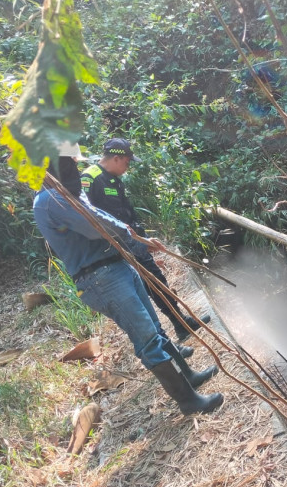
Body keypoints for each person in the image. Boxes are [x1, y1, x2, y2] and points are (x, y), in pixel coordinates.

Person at [33, 156, 223, 415]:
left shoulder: (67, 193)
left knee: (155, 329)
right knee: (147, 340)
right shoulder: (50, 201)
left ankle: (189, 377)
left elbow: (100, 217)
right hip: (100, 278)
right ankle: (188, 401)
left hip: (115, 265)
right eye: (71, 165)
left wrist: (138, 241)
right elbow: (96, 225)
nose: (76, 170)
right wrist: (132, 235)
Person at [80, 138, 210, 343]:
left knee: (158, 282)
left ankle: (181, 324)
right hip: (115, 249)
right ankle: (165, 335)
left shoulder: (114, 179)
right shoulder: (90, 179)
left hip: (133, 243)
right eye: (127, 162)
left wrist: (144, 239)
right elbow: (90, 219)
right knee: (143, 291)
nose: (128, 166)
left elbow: (127, 214)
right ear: (116, 158)